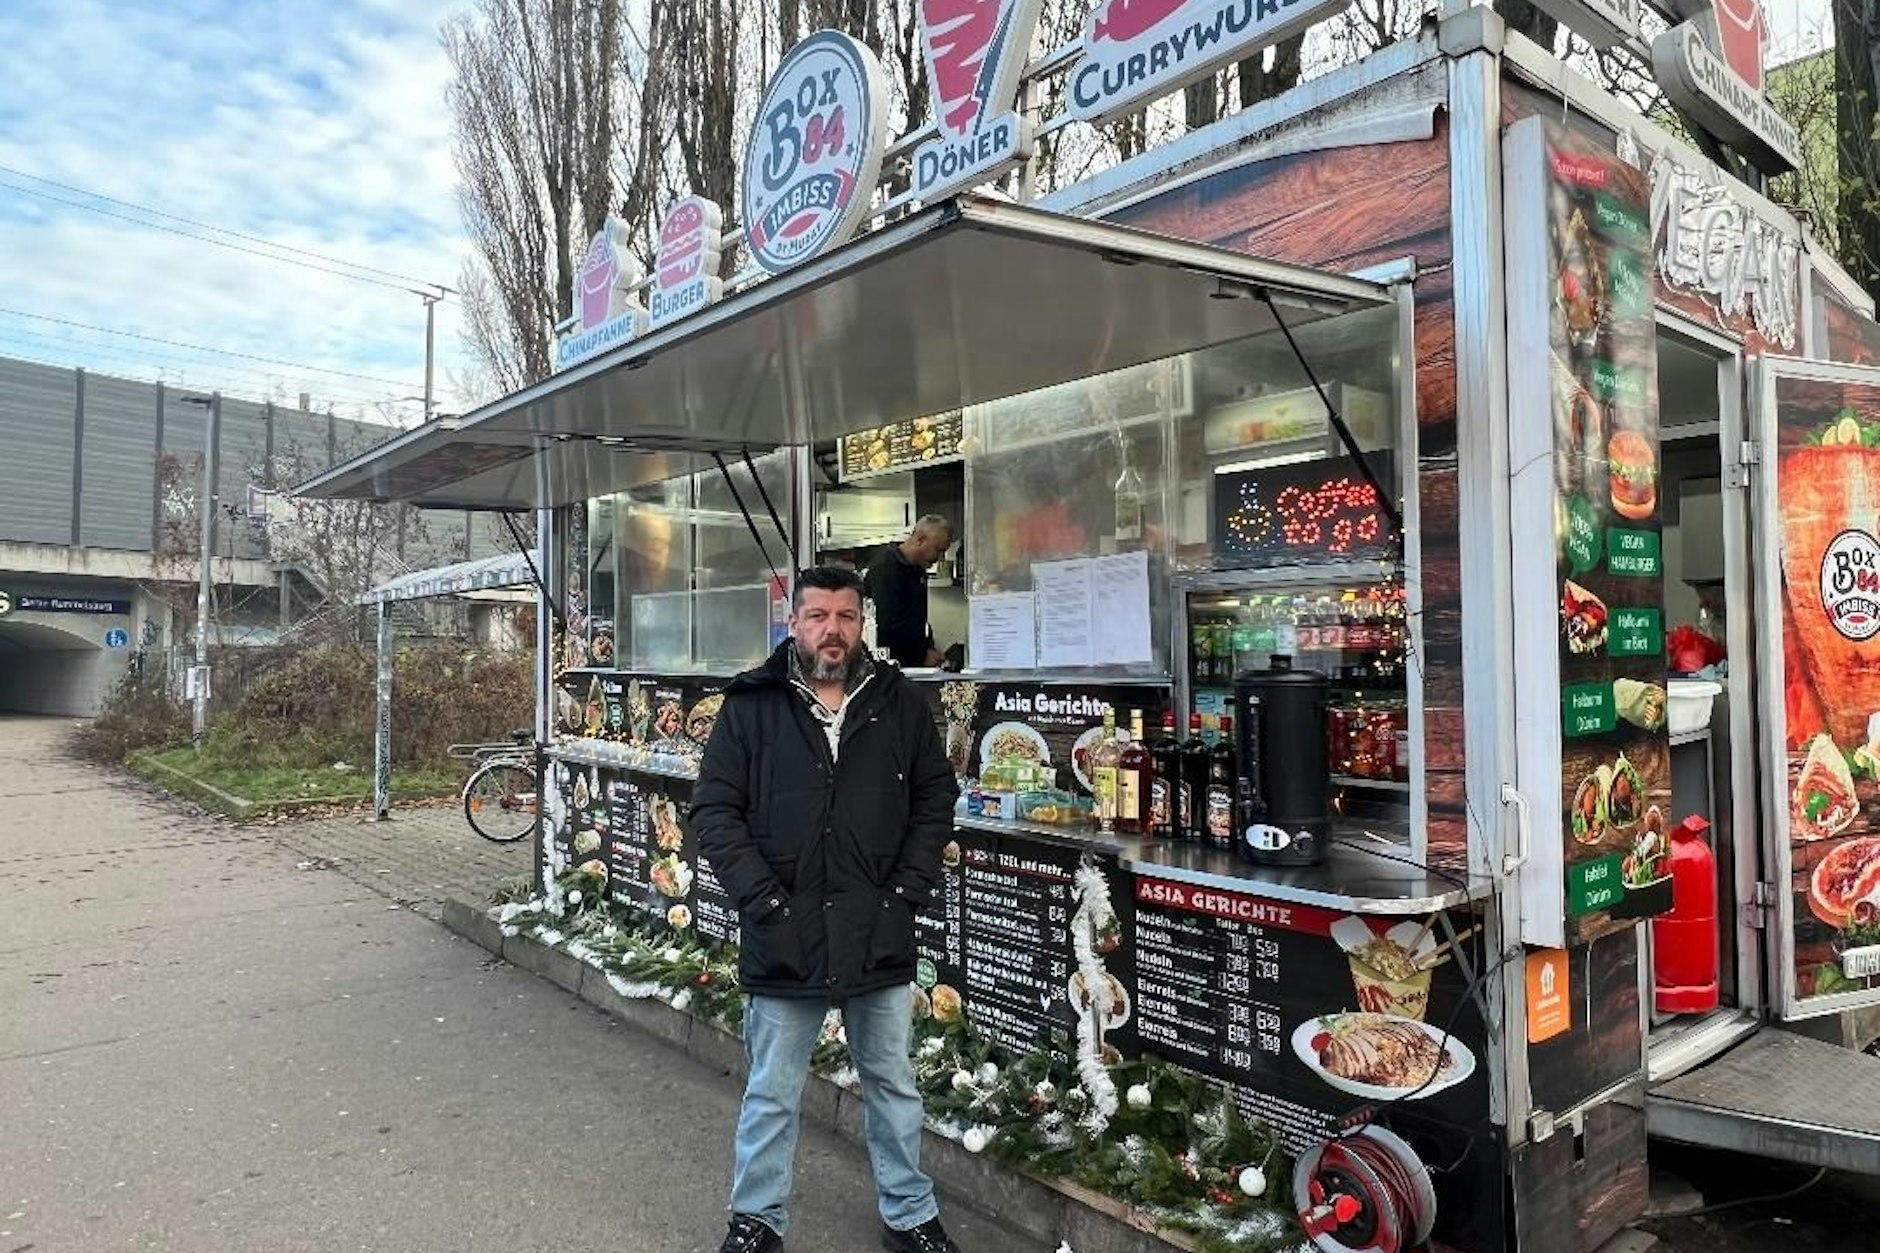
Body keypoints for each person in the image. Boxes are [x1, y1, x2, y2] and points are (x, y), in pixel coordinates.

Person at [693, 565, 963, 1253]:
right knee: (772, 1092)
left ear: (861, 623)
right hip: (786, 930)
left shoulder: (898, 702)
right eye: (818, 616)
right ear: (794, 625)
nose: (832, 629)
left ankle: (909, 1214)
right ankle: (756, 1220)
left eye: (845, 616)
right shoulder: (752, 704)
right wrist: (765, 905)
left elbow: (936, 799)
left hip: (878, 927)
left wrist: (905, 896)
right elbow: (715, 812)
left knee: (893, 1085)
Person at [864, 515, 952, 668]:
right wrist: (921, 655)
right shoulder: (886, 568)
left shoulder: (917, 570)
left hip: (911, 662)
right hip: (890, 665)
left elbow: (919, 619)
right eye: (938, 550)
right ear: (920, 539)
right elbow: (888, 625)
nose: (940, 558)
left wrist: (928, 648)